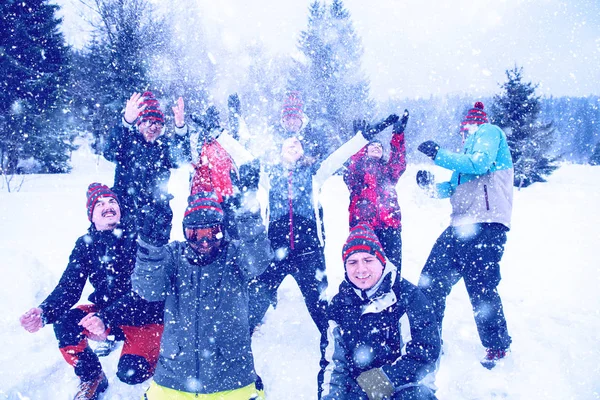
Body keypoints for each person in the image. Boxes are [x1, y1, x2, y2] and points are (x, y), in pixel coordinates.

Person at [19, 183, 164, 400]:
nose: (108, 206)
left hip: (144, 318)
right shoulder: (86, 244)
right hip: (106, 316)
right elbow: (69, 287)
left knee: (132, 373)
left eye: (112, 201)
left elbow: (144, 294)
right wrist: (44, 311)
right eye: (100, 204)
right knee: (65, 322)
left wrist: (105, 318)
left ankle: (162, 350)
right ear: (91, 216)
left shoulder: (139, 238)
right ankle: (92, 376)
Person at [132, 176, 273, 398]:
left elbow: (258, 261)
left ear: (223, 229)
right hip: (174, 375)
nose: (205, 242)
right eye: (195, 235)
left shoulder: (235, 254)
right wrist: (151, 245)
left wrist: (248, 215)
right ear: (184, 231)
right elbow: (148, 290)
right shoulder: (172, 255)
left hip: (232, 376)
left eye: (213, 233)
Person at [415, 101, 514, 369]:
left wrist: (438, 154)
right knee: (430, 283)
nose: (465, 134)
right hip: (459, 226)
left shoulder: (490, 133)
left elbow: (480, 165)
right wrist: (431, 187)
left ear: (473, 126)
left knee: (481, 287)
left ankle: (497, 346)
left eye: (467, 129)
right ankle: (429, 340)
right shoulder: (465, 156)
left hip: (487, 224)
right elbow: (452, 188)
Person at [321, 224, 441, 400]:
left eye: (368, 260)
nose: (360, 269)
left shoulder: (407, 297)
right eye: (352, 262)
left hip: (406, 388)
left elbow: (424, 354)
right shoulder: (339, 306)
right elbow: (333, 364)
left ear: (382, 261)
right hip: (358, 393)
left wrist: (374, 383)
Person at [103, 91, 188, 232]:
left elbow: (181, 160)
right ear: (139, 123)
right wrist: (125, 122)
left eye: (158, 124)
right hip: (125, 215)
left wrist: (180, 129)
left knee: (155, 253)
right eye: (149, 122)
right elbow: (109, 152)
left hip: (157, 218)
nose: (154, 127)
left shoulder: (164, 145)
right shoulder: (127, 140)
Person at [343, 110, 409, 273]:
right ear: (365, 149)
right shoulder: (356, 169)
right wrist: (359, 139)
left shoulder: (389, 172)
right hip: (363, 228)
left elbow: (398, 161)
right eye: (373, 145)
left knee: (392, 270)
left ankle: (394, 297)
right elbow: (353, 163)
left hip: (390, 226)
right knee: (364, 271)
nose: (377, 147)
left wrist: (398, 135)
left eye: (380, 146)